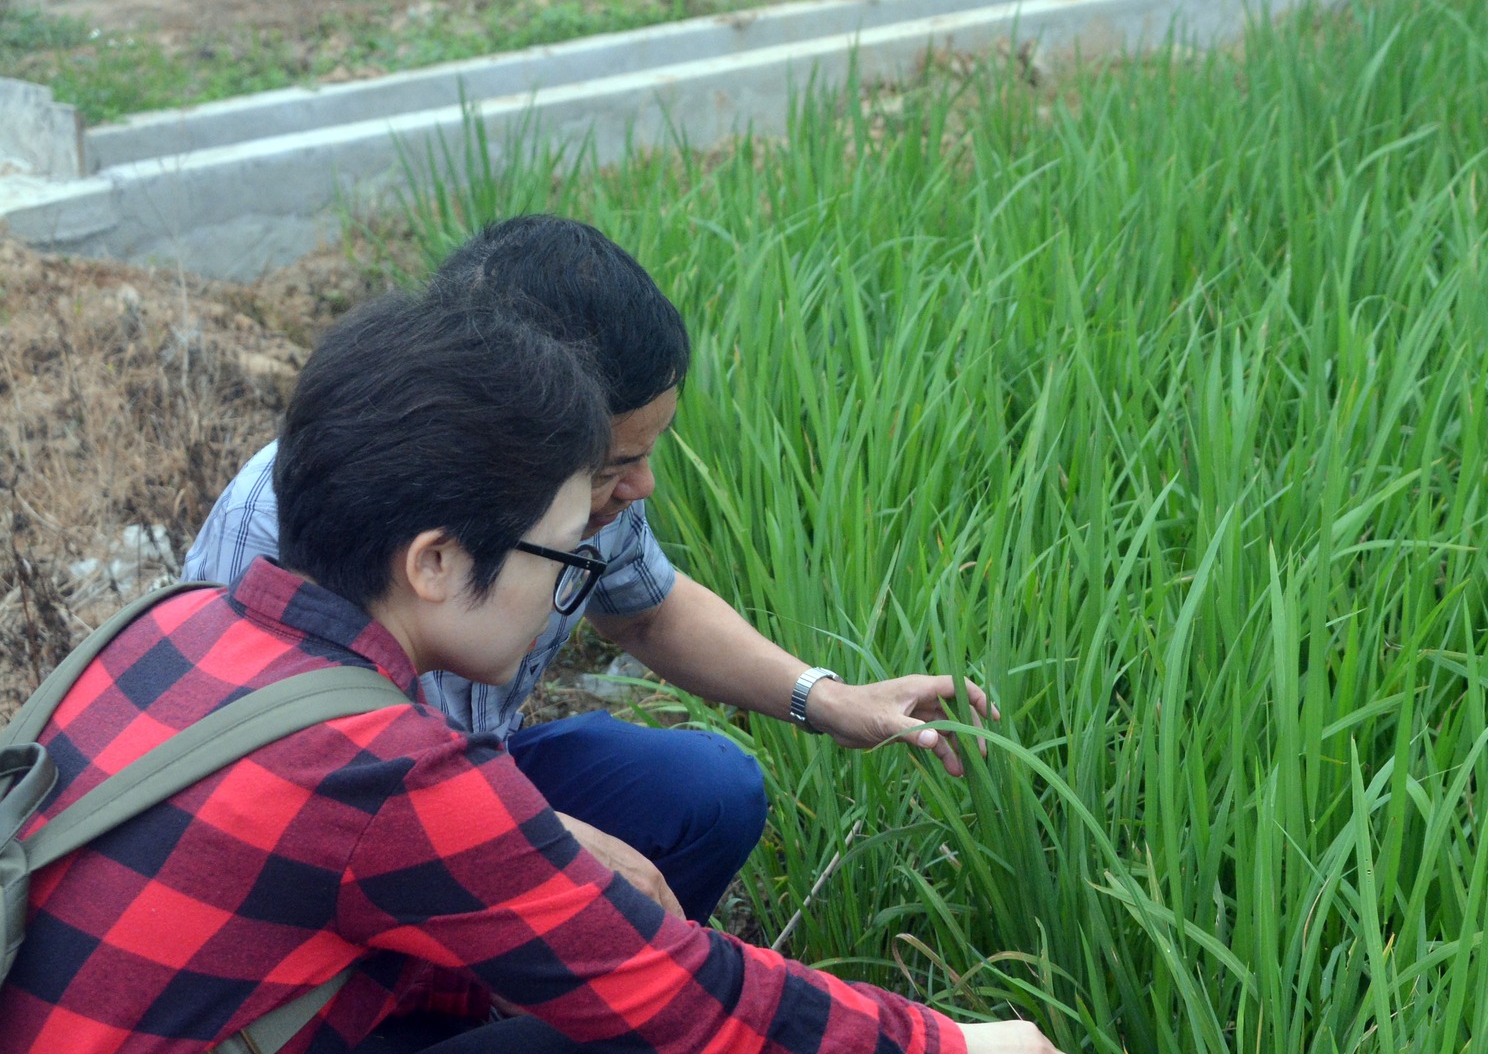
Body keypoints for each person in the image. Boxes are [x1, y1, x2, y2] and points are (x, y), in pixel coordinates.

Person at [0, 290, 1082, 1054]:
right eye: (562, 558)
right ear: (433, 560)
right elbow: (684, 1000)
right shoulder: (381, 768)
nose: (569, 590)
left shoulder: (169, 625)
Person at [183, 214, 996, 925]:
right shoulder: (306, 516)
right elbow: (292, 790)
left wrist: (827, 698)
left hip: (465, 767)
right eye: (612, 464)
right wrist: (555, 850)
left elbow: (644, 609)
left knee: (707, 790)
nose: (636, 489)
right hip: (320, 843)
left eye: (642, 456)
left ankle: (564, 1040)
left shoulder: (576, 490)